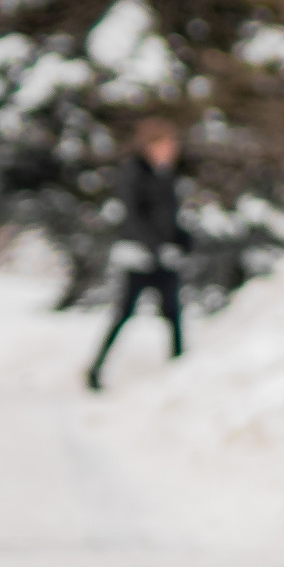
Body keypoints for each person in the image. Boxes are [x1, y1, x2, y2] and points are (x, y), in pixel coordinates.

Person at [85, 116, 192, 392]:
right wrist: (157, 247)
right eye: (166, 144)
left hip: (163, 256)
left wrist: (182, 239)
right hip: (138, 256)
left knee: (173, 314)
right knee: (125, 313)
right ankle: (95, 369)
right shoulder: (134, 172)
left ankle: (181, 371)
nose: (172, 150)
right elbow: (133, 216)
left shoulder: (165, 174)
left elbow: (169, 217)